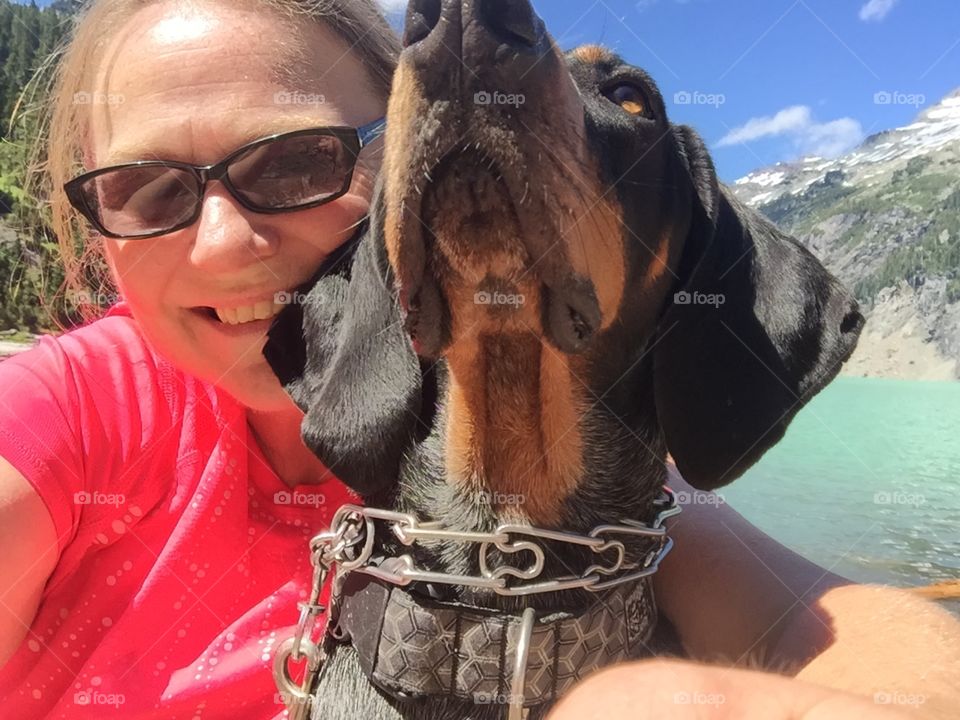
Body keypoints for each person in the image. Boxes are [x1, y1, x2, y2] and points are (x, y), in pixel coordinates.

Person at [0, 1, 957, 719]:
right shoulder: (70, 412)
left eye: (295, 162)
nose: (221, 244)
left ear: (381, 168)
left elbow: (825, 626)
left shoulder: (603, 502)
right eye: (142, 189)